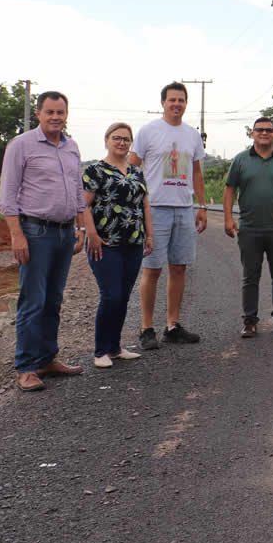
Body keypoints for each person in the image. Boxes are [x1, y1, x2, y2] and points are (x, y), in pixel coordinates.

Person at [0, 91, 87, 391]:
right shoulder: (21, 145)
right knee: (32, 301)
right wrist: (16, 234)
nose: (55, 117)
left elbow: (77, 190)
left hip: (64, 232)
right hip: (35, 233)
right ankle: (26, 367)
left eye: (60, 112)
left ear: (66, 114)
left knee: (53, 300)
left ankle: (48, 359)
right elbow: (8, 195)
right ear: (38, 113)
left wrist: (80, 227)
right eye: (49, 112)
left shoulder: (71, 147)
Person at [130, 81, 206, 347]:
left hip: (184, 208)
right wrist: (136, 204)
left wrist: (203, 206)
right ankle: (146, 328)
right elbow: (132, 168)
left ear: (186, 104)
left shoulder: (192, 135)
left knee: (179, 267)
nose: (177, 104)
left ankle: (172, 325)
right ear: (162, 102)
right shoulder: (148, 132)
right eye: (172, 100)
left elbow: (196, 172)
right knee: (152, 269)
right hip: (156, 209)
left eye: (181, 100)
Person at [223, 116, 273, 338]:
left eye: (268, 130)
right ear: (252, 133)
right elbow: (230, 189)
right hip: (249, 228)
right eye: (259, 130)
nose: (264, 133)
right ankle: (249, 322)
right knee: (251, 276)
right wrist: (228, 218)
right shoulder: (240, 160)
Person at [82, 122, 152, 368]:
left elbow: (144, 205)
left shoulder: (136, 171)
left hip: (133, 242)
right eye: (117, 138)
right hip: (104, 243)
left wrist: (149, 235)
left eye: (126, 138)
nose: (122, 142)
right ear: (107, 140)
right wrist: (90, 233)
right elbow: (83, 204)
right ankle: (100, 350)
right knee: (110, 295)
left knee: (123, 296)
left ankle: (115, 348)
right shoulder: (95, 170)